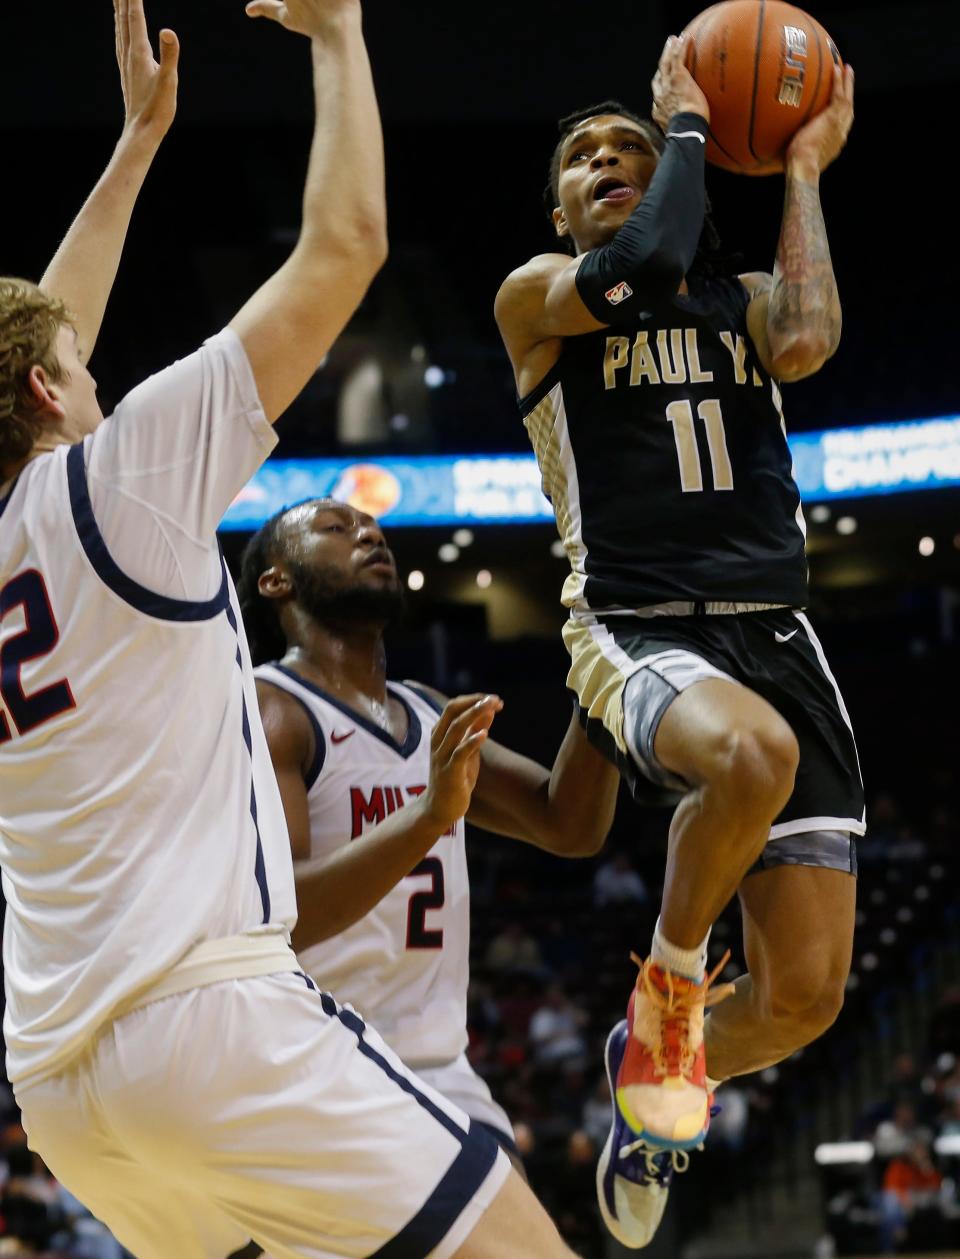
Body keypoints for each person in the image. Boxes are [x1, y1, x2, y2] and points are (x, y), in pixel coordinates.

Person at [0, 2, 582, 1256]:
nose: (101, 377)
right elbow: (347, 245)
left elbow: (36, 345)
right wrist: (341, 37)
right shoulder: (116, 477)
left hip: (60, 1085)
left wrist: (137, 145)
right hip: (204, 1024)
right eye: (81, 373)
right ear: (54, 396)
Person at [494, 31, 860, 1249]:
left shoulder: (743, 304)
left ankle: (652, 1071)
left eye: (628, 150)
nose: (606, 162)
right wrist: (687, 132)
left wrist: (802, 166)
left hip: (781, 628)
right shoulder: (540, 296)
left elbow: (806, 339)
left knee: (806, 1000)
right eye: (584, 160)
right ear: (557, 204)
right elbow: (642, 259)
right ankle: (666, 993)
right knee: (746, 758)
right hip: (636, 623)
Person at [236, 496, 619, 1157]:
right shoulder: (272, 709)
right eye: (337, 528)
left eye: (375, 529)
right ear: (277, 580)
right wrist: (428, 815)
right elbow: (283, 920)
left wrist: (608, 669)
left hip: (440, 1065)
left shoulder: (426, 710)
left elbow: (568, 822)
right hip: (324, 1065)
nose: (369, 535)